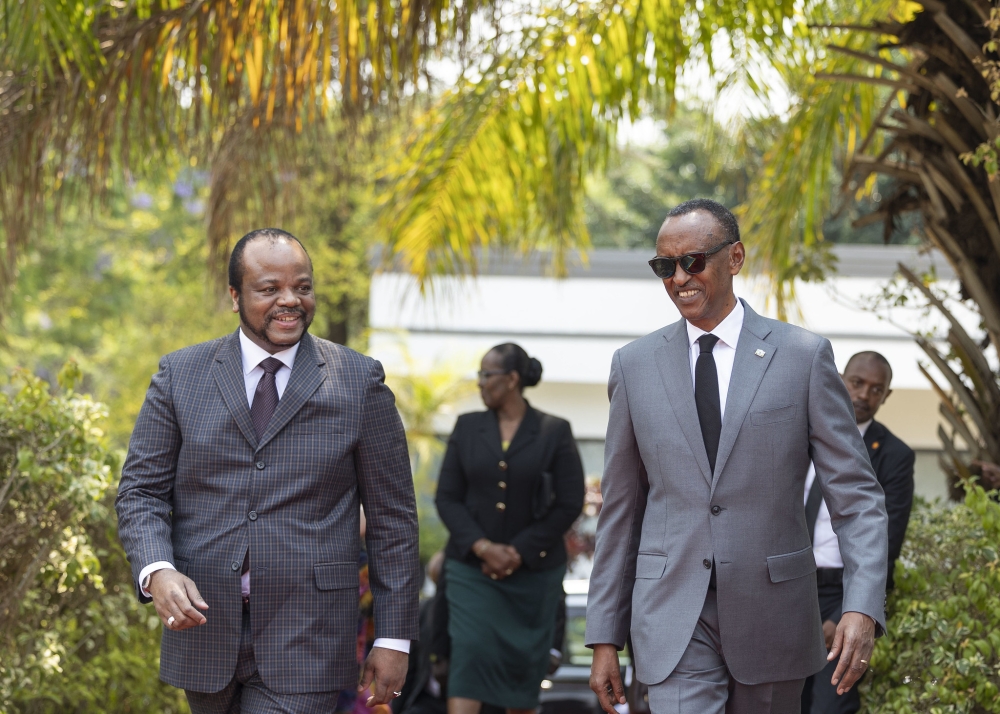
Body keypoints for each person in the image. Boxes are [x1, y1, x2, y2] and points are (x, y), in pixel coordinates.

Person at [585, 198, 889, 714]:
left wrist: (862, 605)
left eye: (693, 261)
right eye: (665, 266)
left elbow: (856, 496)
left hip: (774, 615)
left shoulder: (803, 357)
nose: (679, 277)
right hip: (672, 615)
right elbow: (621, 508)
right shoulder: (633, 366)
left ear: (736, 257)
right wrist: (603, 636)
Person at [115, 228, 420, 713]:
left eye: (302, 286)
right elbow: (140, 493)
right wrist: (158, 569)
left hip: (310, 637)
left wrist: (395, 638)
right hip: (205, 631)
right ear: (235, 296)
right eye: (269, 289)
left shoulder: (359, 381)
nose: (290, 301)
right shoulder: (179, 376)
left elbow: (393, 520)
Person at [435, 343, 585, 714]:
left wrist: (518, 551)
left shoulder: (554, 431)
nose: (481, 383)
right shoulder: (467, 428)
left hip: (532, 576)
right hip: (472, 572)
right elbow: (447, 498)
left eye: (487, 375)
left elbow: (569, 502)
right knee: (468, 659)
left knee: (523, 673)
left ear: (512, 379)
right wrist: (484, 548)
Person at [801, 351, 915, 714]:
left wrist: (847, 612)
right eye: (857, 383)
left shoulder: (895, 455)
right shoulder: (801, 433)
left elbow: (887, 543)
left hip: (843, 593)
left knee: (830, 706)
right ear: (839, 378)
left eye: (876, 389)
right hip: (788, 588)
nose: (865, 394)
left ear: (886, 396)